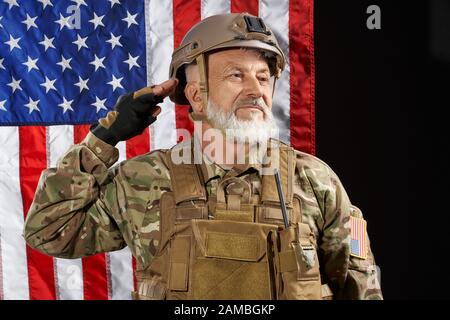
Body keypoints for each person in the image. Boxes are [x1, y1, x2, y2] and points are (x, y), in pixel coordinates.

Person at [23, 13, 382, 300]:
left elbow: (360, 278)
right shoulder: (142, 180)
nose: (256, 90)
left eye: (263, 76)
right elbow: (48, 231)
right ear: (195, 95)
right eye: (236, 76)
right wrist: (105, 137)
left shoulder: (318, 179)